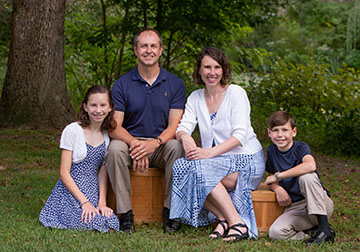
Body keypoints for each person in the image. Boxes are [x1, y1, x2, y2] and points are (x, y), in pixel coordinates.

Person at [169, 47, 265, 242]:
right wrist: (185, 137)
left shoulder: (236, 93)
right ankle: (222, 219)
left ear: (223, 70)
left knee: (200, 168)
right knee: (180, 166)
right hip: (217, 162)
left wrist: (209, 153)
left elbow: (240, 136)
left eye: (217, 67)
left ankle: (237, 223)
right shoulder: (196, 97)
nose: (212, 72)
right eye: (207, 67)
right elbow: (183, 126)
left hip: (247, 161)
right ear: (199, 70)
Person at [105, 28, 186, 233]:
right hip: (130, 142)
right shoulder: (122, 84)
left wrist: (153, 144)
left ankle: (170, 213)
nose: (148, 50)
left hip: (161, 144)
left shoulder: (175, 84)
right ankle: (125, 215)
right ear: (135, 50)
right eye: (143, 46)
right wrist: (135, 144)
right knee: (114, 149)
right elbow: (114, 126)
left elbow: (174, 126)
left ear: (160, 51)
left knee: (178, 146)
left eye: (153, 46)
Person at [39, 85, 120, 232]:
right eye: (93, 105)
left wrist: (101, 202)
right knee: (91, 221)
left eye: (103, 105)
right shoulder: (72, 131)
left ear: (110, 108)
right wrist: (84, 202)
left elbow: (102, 171)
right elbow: (64, 173)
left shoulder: (107, 135)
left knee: (111, 221)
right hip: (71, 191)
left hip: (92, 190)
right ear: (85, 107)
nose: (98, 110)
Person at [264, 110, 335, 245]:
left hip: (319, 203)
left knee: (306, 177)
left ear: (294, 132)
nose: (280, 135)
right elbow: (271, 177)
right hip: (297, 208)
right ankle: (312, 234)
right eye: (275, 130)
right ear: (269, 133)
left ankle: (324, 227)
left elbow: (310, 165)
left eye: (285, 130)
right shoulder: (271, 151)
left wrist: (279, 176)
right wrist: (277, 188)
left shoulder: (300, 147)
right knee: (276, 232)